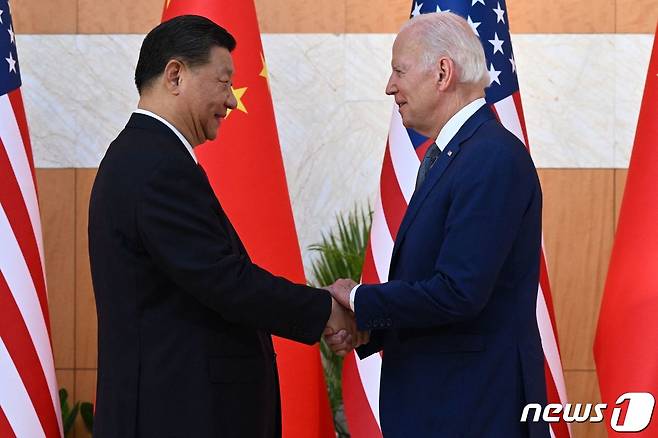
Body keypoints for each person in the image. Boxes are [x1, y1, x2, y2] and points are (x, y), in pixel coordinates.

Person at [88, 15, 356, 438]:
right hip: (176, 417)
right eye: (223, 81)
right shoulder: (154, 165)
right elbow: (223, 280)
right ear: (175, 75)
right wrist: (325, 310)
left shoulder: (147, 157)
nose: (232, 100)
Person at [327, 12, 549, 438]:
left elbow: (459, 292)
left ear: (443, 72)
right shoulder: (457, 156)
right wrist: (368, 325)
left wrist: (358, 300)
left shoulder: (491, 158)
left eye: (398, 70)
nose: (390, 86)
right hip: (448, 407)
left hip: (475, 412)